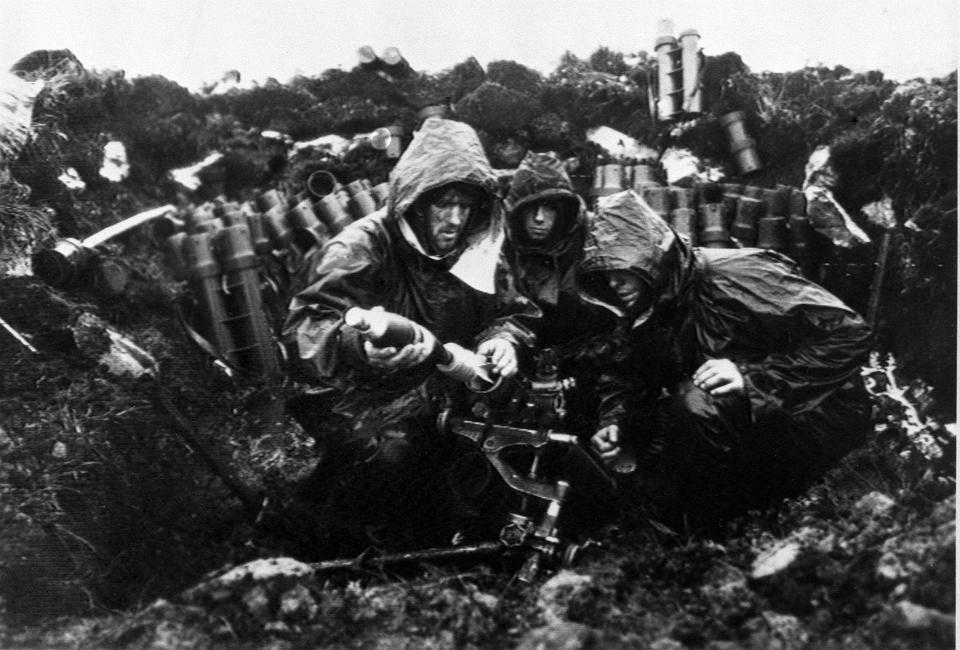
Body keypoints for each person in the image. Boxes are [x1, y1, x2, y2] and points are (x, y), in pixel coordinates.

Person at [281, 117, 535, 553]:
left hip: (454, 389)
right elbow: (306, 329)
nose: (455, 219)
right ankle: (353, 546)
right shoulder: (361, 247)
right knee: (393, 461)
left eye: (466, 204)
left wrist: (503, 338)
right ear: (417, 200)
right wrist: (355, 346)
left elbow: (513, 310)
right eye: (443, 203)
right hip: (364, 399)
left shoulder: (480, 247)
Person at [576, 189, 873, 532]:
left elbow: (850, 333)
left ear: (649, 258)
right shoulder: (647, 302)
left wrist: (751, 378)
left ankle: (730, 521)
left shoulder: (736, 274)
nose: (614, 283)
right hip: (745, 419)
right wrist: (617, 423)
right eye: (606, 273)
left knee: (698, 402)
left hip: (817, 414)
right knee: (682, 411)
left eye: (622, 268)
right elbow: (627, 375)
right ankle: (697, 518)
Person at [501, 151, 616, 436]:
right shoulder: (499, 243)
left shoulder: (593, 236)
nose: (540, 218)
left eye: (549, 208)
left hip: (584, 358)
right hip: (517, 355)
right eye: (531, 209)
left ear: (563, 210)